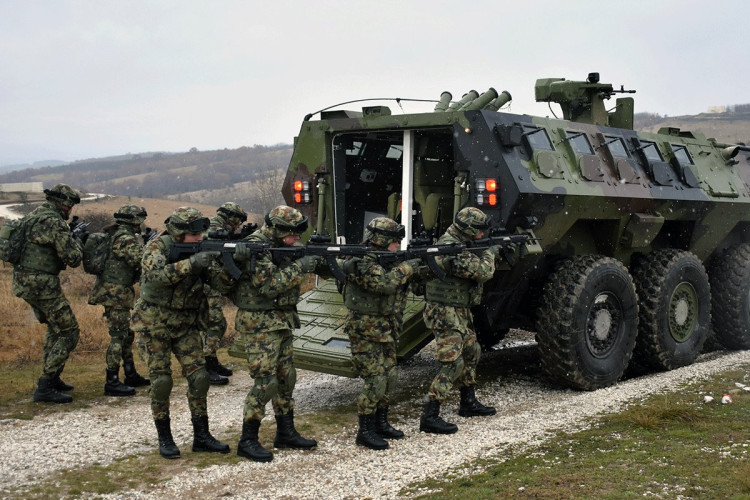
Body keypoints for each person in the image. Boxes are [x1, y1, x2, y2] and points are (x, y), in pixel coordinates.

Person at [131, 207, 232, 459]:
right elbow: (155, 277)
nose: (200, 238)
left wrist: (230, 262)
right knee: (162, 381)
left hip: (186, 324)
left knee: (199, 378)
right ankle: (165, 436)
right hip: (155, 324)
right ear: (178, 234)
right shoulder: (157, 248)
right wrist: (192, 263)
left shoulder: (202, 249)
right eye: (194, 234)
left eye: (201, 233)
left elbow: (220, 284)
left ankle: (202, 436)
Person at [230, 205, 322, 462]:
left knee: (285, 379)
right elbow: (269, 285)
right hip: (260, 324)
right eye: (292, 234)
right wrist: (301, 266)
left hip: (281, 320)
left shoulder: (280, 246)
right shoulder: (255, 247)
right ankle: (247, 440)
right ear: (278, 230)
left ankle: (286, 432)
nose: (296, 239)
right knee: (266, 382)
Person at [339, 217, 423, 450]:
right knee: (375, 379)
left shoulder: (384, 259)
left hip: (387, 327)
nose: (398, 246)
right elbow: (384, 284)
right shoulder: (359, 260)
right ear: (383, 240)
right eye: (395, 241)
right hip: (365, 329)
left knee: (390, 376)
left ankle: (381, 422)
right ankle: (364, 430)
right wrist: (408, 266)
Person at [419, 207, 500, 434]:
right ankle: (430, 415)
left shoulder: (459, 243)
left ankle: (468, 402)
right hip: (444, 311)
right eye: (479, 231)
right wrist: (490, 252)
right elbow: (484, 272)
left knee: (472, 351)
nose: (482, 235)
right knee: (452, 362)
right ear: (469, 229)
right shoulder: (450, 248)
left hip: (458, 309)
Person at [12, 184, 84, 404]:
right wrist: (77, 241)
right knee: (70, 331)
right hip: (42, 284)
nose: (69, 211)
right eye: (69, 206)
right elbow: (73, 258)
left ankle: (53, 377)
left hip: (24, 281)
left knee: (55, 327)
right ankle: (45, 385)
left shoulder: (32, 217)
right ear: (63, 203)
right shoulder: (53, 222)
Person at [88, 205, 150, 397]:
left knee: (126, 334)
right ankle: (112, 381)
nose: (141, 223)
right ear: (133, 221)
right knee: (118, 336)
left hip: (115, 292)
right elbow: (141, 261)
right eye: (139, 220)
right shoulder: (125, 238)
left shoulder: (117, 235)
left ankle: (130, 373)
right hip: (115, 293)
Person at [202, 202, 248, 385]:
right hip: (207, 284)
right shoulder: (215, 228)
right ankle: (206, 366)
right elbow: (219, 255)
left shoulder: (218, 227)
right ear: (232, 217)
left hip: (211, 282)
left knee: (215, 324)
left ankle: (212, 362)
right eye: (238, 222)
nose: (238, 225)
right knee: (215, 324)